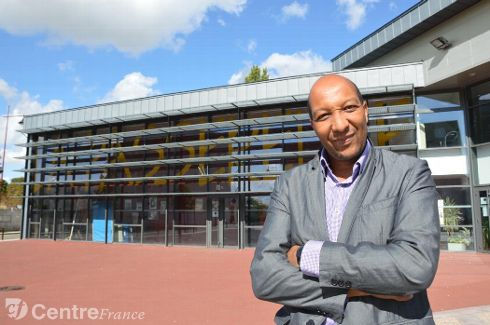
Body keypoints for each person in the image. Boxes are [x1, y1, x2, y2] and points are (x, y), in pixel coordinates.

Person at [250, 75, 440, 325]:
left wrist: (310, 255)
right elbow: (265, 277)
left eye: (349, 108)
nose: (339, 125)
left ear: (365, 109)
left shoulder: (409, 174)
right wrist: (356, 288)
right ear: (312, 124)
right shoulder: (289, 184)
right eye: (324, 116)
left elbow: (415, 266)